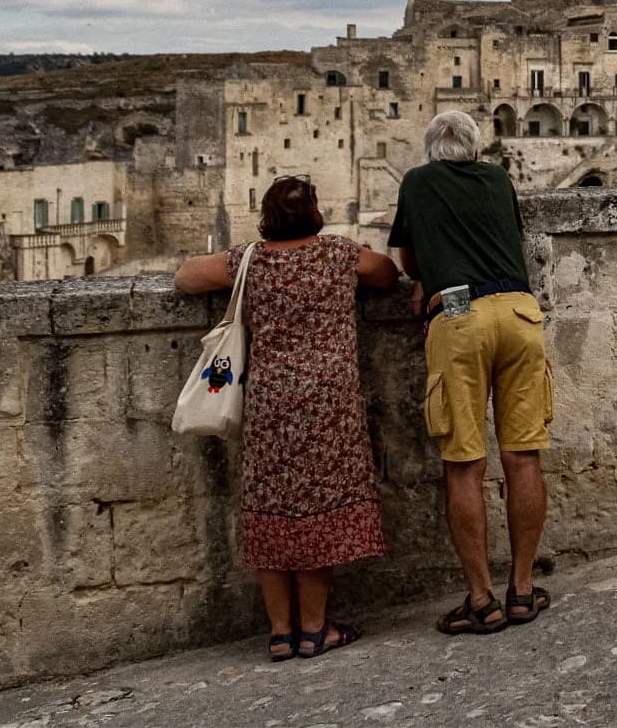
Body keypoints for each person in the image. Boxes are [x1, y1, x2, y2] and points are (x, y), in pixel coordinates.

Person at [174, 176, 400, 661]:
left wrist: (245, 255)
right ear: (314, 212)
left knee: (271, 509)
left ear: (267, 217)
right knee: (320, 509)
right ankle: (315, 629)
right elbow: (387, 273)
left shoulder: (252, 261)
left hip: (271, 401)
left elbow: (186, 277)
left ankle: (280, 633)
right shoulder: (338, 254)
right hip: (329, 401)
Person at [389, 109, 552, 636]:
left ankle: (481, 600)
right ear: (477, 150)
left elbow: (408, 259)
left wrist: (428, 276)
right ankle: (523, 589)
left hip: (459, 315)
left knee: (464, 464)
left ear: (431, 150)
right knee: (523, 456)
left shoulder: (416, 182)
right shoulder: (499, 177)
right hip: (520, 311)